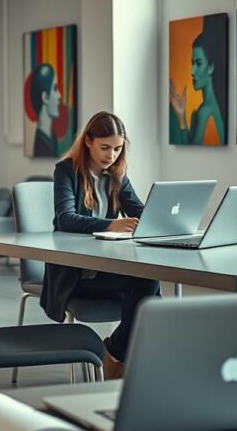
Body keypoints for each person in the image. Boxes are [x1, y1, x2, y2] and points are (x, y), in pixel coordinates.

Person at [40, 112, 161, 380]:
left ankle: (120, 355)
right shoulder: (66, 171)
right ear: (88, 141)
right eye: (105, 147)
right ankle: (121, 357)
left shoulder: (116, 175)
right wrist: (111, 224)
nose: (111, 155)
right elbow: (66, 219)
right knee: (150, 289)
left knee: (151, 289)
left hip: (106, 267)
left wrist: (161, 219)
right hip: (77, 274)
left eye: (117, 149)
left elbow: (140, 211)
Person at [170, 22, 227, 145]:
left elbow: (188, 153)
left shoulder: (205, 112)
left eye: (199, 63)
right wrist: (182, 117)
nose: (192, 71)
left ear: (210, 67)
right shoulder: (204, 110)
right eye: (192, 63)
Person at [28, 63, 60, 157]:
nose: (59, 96)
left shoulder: (51, 138)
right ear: (45, 97)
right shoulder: (42, 145)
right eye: (55, 89)